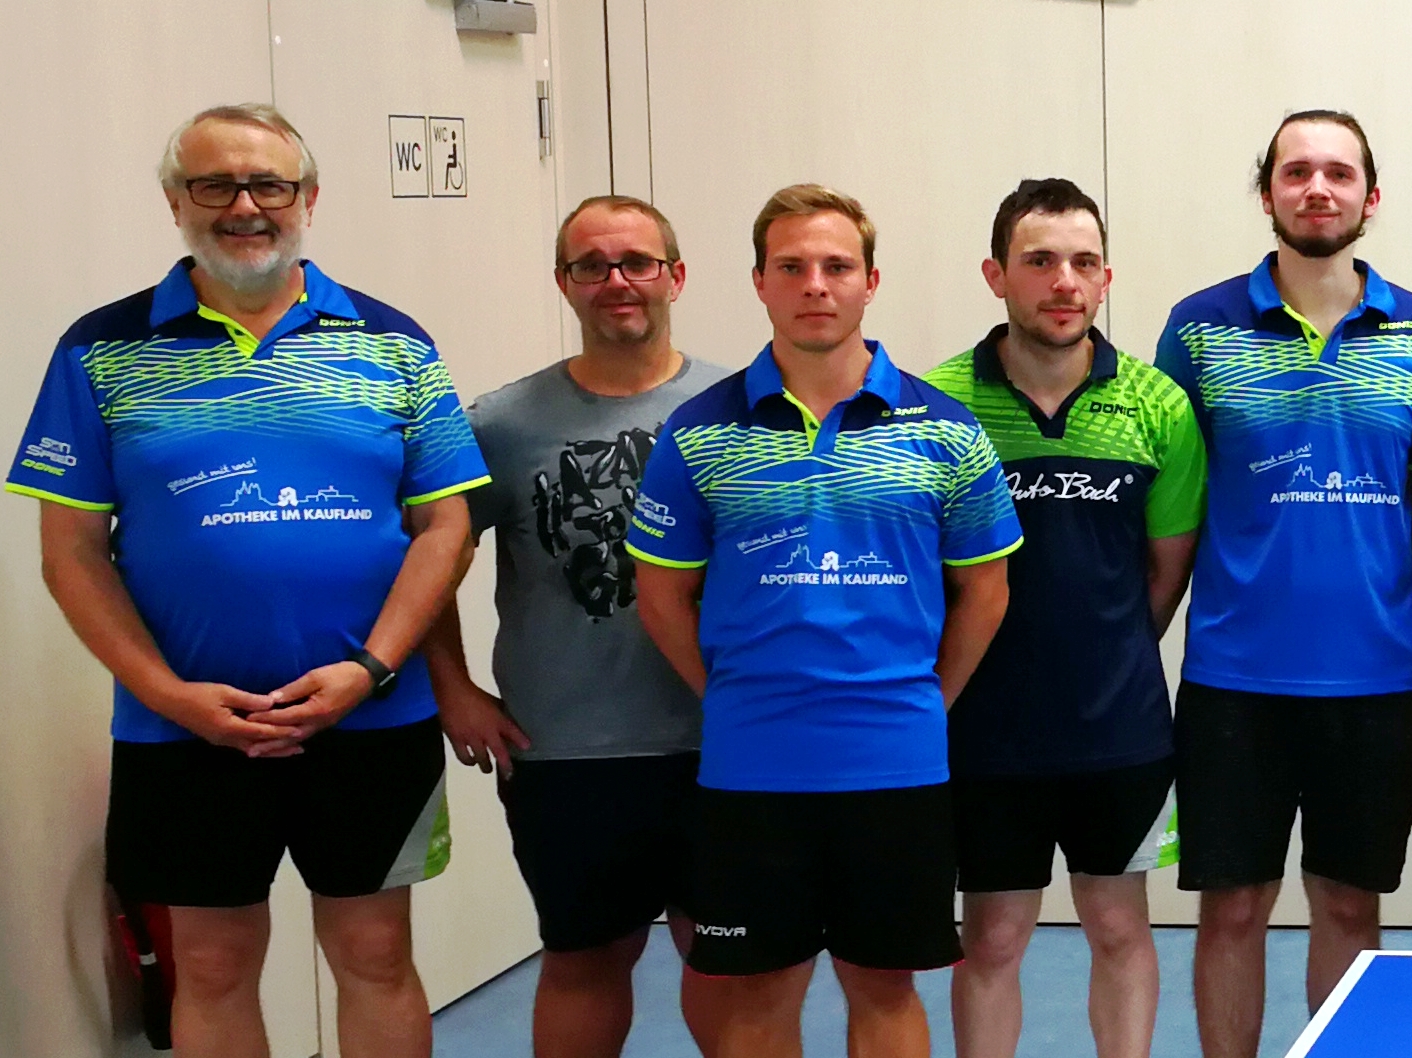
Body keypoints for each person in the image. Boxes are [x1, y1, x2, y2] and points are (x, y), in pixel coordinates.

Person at [12, 102, 487, 1058]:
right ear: (174, 202)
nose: (244, 206)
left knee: (375, 955)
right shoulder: (100, 348)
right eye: (214, 184)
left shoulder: (393, 341)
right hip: (181, 726)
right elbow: (71, 553)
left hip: (371, 715)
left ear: (309, 197)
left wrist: (373, 669)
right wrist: (167, 695)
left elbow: (446, 525)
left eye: (269, 184)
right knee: (213, 965)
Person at [629, 184, 1021, 1058]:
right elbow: (660, 597)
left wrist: (925, 701)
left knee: (885, 988)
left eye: (837, 266)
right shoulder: (698, 432)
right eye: (792, 267)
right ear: (760, 283)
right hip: (751, 769)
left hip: (897, 766)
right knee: (758, 993)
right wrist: (730, 694)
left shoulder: (947, 431)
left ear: (870, 282)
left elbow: (986, 592)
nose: (816, 284)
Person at [1156, 109, 1412, 1058]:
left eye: (1338, 172)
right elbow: (1176, 496)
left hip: (1375, 675)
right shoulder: (1199, 328)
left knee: (1350, 907)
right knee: (1231, 910)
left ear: (1371, 197)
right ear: (1267, 193)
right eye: (1296, 172)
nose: (1317, 188)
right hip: (1232, 678)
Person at [422, 194, 725, 1058]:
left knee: (729, 966)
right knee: (585, 960)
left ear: (675, 275)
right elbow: (428, 560)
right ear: (564, 282)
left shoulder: (737, 409)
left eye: (636, 262)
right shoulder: (501, 424)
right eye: (591, 265)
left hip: (723, 741)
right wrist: (453, 689)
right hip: (566, 750)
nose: (615, 281)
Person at [924, 178, 1201, 1058]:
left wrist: (1106, 653)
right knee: (994, 937)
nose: (1064, 282)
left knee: (1119, 927)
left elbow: (1165, 572)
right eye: (1039, 261)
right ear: (996, 275)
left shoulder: (1157, 405)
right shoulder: (936, 405)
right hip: (984, 730)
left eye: (1084, 262)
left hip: (1118, 727)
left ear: (1107, 277)